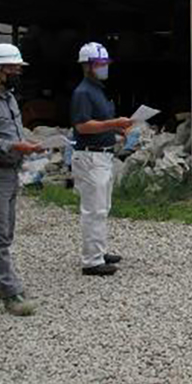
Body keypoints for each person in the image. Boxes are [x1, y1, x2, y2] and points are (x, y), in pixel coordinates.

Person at [0, 43, 42, 316]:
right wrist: (12, 147)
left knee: (5, 231)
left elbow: (10, 131)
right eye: (12, 67)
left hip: (8, 172)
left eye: (18, 67)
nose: (16, 72)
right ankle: (11, 293)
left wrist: (27, 145)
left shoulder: (9, 97)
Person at [71, 43, 133, 276]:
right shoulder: (83, 92)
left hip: (102, 154)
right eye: (99, 64)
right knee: (93, 209)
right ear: (87, 66)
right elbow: (82, 125)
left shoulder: (97, 89)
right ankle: (91, 260)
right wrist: (114, 123)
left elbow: (98, 124)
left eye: (105, 64)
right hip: (90, 156)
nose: (104, 68)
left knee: (102, 207)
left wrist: (116, 131)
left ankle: (99, 250)